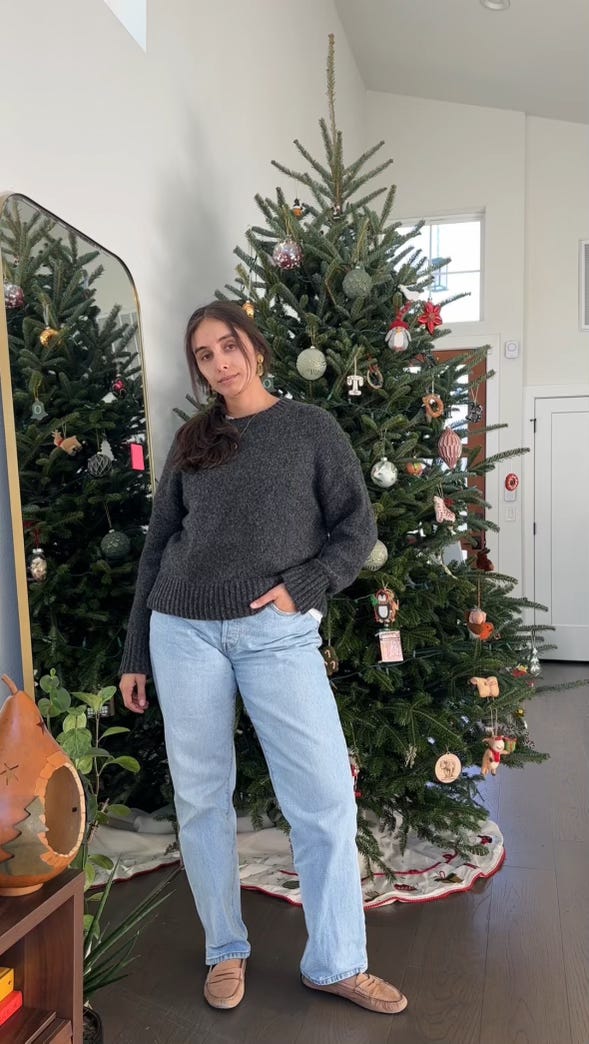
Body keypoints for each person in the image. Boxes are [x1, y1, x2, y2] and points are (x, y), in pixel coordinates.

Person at [119, 300, 408, 1015]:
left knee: (323, 799)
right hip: (181, 628)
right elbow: (159, 546)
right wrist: (136, 651)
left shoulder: (310, 427)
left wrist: (301, 588)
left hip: (276, 634)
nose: (220, 362)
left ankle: (337, 961)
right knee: (201, 797)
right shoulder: (193, 439)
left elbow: (355, 526)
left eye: (228, 345)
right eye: (205, 355)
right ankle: (225, 948)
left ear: (254, 345)